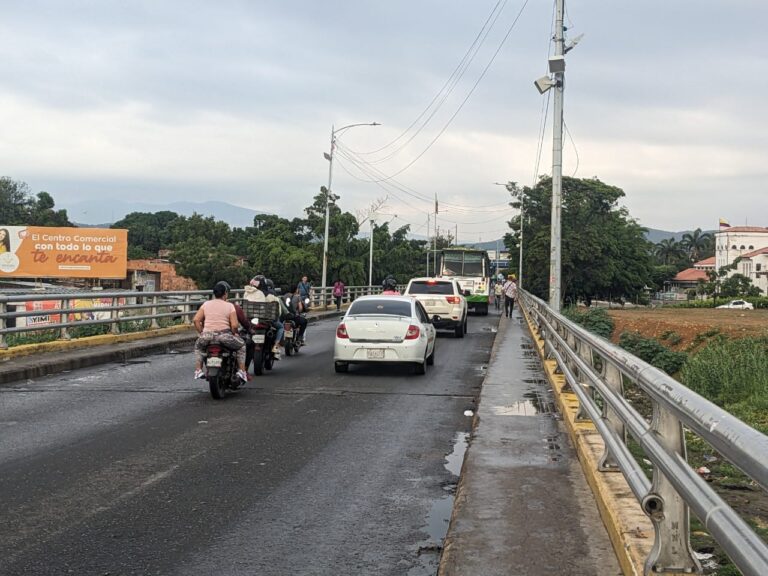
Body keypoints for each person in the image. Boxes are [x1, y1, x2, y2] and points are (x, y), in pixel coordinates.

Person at [193, 281, 247, 382]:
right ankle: (242, 371)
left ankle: (198, 370)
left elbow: (196, 320)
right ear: (225, 294)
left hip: (207, 336)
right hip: (224, 336)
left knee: (198, 347)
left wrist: (202, 332)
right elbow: (235, 325)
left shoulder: (206, 304)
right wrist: (234, 333)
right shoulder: (229, 306)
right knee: (242, 346)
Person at [244, 275, 290, 359]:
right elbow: (278, 311)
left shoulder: (248, 293)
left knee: (245, 332)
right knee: (280, 328)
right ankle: (276, 347)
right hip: (268, 321)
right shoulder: (270, 296)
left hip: (252, 320)